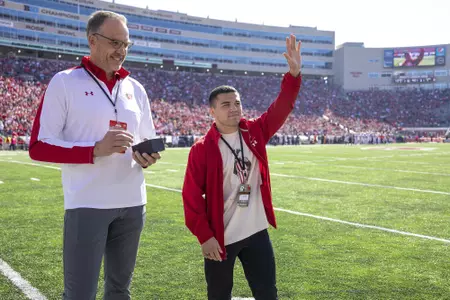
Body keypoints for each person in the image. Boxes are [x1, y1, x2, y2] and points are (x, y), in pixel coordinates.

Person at [28, 10, 160, 300]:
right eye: (115, 42)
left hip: (133, 202)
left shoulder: (135, 88)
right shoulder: (64, 82)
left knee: (120, 292)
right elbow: (38, 146)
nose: (121, 50)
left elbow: (146, 137)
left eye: (126, 44)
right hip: (87, 203)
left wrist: (146, 155)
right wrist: (94, 150)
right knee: (80, 294)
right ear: (92, 40)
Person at [182, 34, 302, 300]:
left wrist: (293, 75)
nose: (234, 108)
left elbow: (282, 107)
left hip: (256, 230)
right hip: (221, 236)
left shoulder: (255, 130)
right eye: (225, 105)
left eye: (237, 103)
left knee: (267, 292)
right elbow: (190, 197)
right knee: (219, 294)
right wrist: (204, 236)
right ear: (212, 112)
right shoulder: (202, 148)